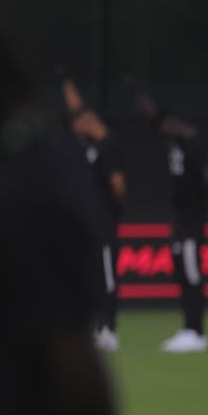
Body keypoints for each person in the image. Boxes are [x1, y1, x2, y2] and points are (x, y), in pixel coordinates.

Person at [133, 87, 208, 353]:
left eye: (164, 127)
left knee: (192, 274)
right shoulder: (175, 140)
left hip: (192, 219)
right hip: (180, 218)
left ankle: (197, 332)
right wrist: (139, 95)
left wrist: (198, 197)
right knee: (181, 272)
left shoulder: (193, 143)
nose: (159, 132)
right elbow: (155, 117)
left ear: (174, 124)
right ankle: (188, 328)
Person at [62, 76, 125, 352]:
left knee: (108, 277)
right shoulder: (86, 145)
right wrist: (67, 84)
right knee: (94, 279)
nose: (74, 125)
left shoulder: (108, 146)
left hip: (105, 222)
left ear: (89, 122)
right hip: (89, 224)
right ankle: (96, 328)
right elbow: (76, 109)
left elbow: (118, 186)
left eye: (79, 121)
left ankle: (110, 330)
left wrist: (108, 208)